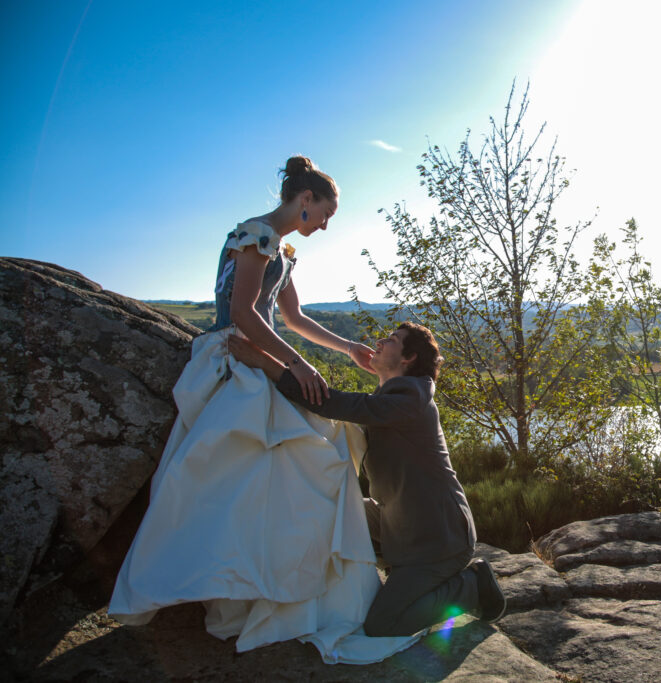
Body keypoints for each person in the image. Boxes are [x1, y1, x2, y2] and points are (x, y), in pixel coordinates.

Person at [109, 157, 419, 664]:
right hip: (235, 354)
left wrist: (347, 350)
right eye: (325, 213)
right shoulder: (254, 234)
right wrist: (295, 365)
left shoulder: (281, 248)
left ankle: (275, 579)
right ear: (304, 201)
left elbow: (292, 316)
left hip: (260, 354)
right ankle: (241, 582)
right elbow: (243, 312)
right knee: (268, 462)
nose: (325, 224)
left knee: (317, 450)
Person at [227, 322, 506, 636]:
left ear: (408, 358)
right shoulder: (394, 394)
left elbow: (338, 404)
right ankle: (379, 574)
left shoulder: (409, 399)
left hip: (438, 539)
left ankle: (472, 585)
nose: (380, 340)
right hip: (402, 524)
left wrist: (267, 364)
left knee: (382, 625)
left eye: (391, 340)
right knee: (333, 511)